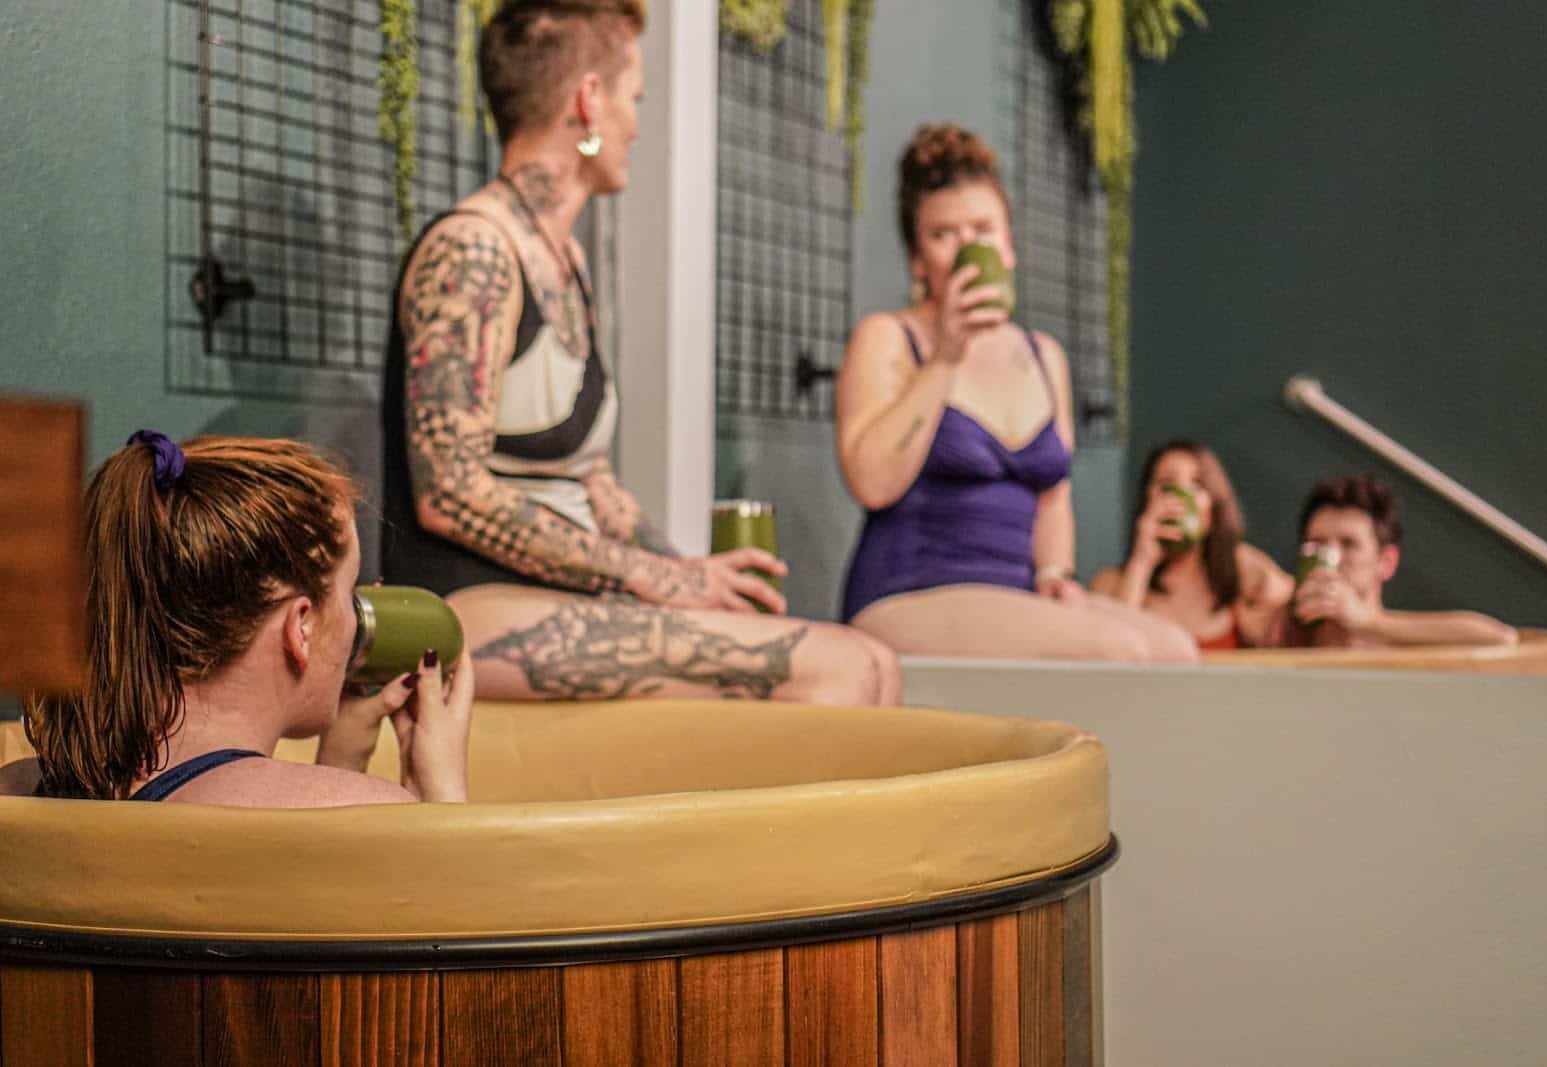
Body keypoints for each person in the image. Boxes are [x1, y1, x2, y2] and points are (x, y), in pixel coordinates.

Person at [381, 0, 899, 705]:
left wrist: (691, 575)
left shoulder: (563, 261)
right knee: (838, 666)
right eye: (634, 98)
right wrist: (647, 576)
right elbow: (449, 491)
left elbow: (591, 480)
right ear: (589, 100)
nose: (637, 122)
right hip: (465, 608)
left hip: (557, 596)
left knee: (874, 660)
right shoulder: (473, 250)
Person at [833, 124, 1197, 663]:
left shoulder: (1042, 354)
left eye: (982, 228)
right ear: (918, 260)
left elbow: (1054, 495)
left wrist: (1054, 572)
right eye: (943, 234)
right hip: (911, 590)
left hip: (1016, 596)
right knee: (1116, 651)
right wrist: (945, 358)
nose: (966, 247)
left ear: (1008, 245)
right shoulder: (890, 337)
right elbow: (872, 483)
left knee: (1175, 651)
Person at [0, 434, 472, 805]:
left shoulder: (18, 789)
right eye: (349, 592)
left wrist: (340, 763)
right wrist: (442, 801)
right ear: (301, 627)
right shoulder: (373, 814)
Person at [1271, 474, 1517, 648]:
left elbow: (1500, 640)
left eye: (1349, 544)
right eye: (1318, 543)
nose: (1331, 556)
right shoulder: (1279, 634)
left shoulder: (1399, 640)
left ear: (1386, 562)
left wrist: (1368, 622)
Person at [1090, 440, 1293, 650]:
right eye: (1167, 485)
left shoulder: (1242, 572)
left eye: (1196, 485)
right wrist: (1142, 562)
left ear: (1213, 507)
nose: (1180, 497)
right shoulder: (1110, 584)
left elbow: (1296, 611)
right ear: (1146, 500)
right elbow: (1110, 657)